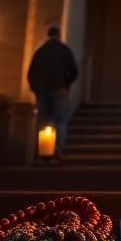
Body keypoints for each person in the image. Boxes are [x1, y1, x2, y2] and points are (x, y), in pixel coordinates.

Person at [27, 25, 78, 161]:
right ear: (59, 35)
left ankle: (42, 152)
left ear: (48, 36)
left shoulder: (40, 52)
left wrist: (35, 89)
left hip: (42, 91)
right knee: (60, 120)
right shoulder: (65, 50)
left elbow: (30, 74)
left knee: (42, 121)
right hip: (59, 90)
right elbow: (74, 71)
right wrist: (66, 85)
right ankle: (59, 149)